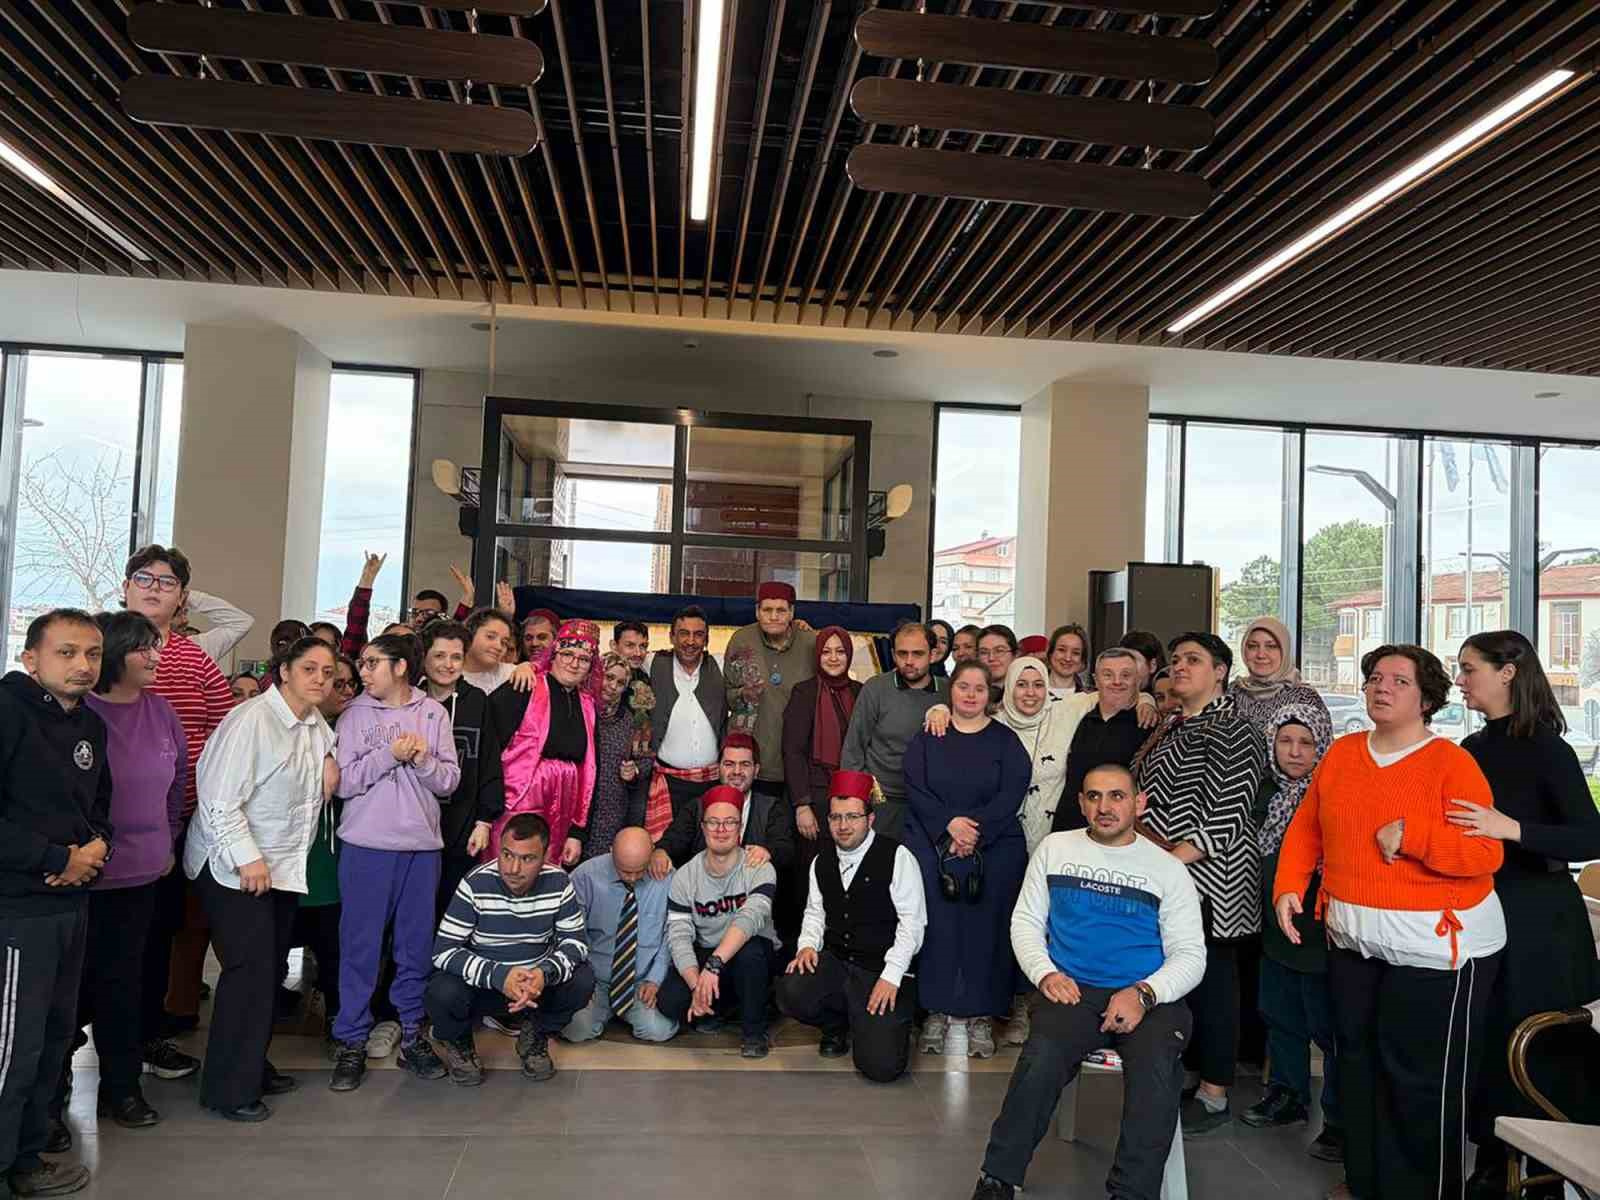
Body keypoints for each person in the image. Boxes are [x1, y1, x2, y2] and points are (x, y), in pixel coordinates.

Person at [1274, 644, 1504, 1200]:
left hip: (1435, 950)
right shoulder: (1343, 753)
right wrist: (1289, 884)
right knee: (1357, 1064)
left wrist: (1413, 837)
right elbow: (1308, 827)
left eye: (1400, 681)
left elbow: (1485, 853)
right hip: (1353, 938)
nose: (1382, 687)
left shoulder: (1451, 763)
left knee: (1418, 1080)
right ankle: (1365, 1181)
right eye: (1375, 677)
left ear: (1427, 699)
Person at [968, 763, 1206, 1200]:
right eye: (1094, 796)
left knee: (1156, 1071)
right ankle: (997, 1177)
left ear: (1139, 803)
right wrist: (1045, 973)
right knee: (1041, 1059)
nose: (1104, 807)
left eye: (1117, 796)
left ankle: (1131, 1192)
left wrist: (1144, 993)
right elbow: (1026, 922)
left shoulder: (1167, 869)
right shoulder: (1056, 848)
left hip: (1148, 994)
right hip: (1072, 989)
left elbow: (1191, 955)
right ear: (1080, 803)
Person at [1452, 631, 1600, 1197]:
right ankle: (1495, 1162)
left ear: (1508, 672)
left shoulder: (1547, 748)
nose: (1460, 680)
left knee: (1534, 1043)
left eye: (1469, 669)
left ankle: (1540, 1174)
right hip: (1485, 909)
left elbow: (1589, 836)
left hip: (1542, 922)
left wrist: (1510, 828)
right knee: (1489, 1038)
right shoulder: (1471, 746)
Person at [185, 636, 337, 1123]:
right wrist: (246, 858)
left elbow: (319, 758)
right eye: (309, 668)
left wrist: (329, 763)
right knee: (248, 973)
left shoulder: (313, 722)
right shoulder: (251, 720)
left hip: (281, 865)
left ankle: (252, 1065)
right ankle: (228, 1089)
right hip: (234, 866)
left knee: (269, 971)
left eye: (328, 672)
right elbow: (218, 800)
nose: (320, 678)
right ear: (284, 671)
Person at [1133, 631, 1265, 1135]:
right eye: (1176, 659)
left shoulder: (1236, 727)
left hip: (1212, 878)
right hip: (1166, 871)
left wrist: (1174, 861)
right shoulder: (1173, 724)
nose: (1180, 667)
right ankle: (1189, 1073)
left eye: (1193, 659)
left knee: (1214, 986)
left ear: (1220, 671)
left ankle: (1214, 1092)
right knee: (1180, 982)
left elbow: (1229, 809)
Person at [0, 610, 113, 1199]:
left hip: (72, 904)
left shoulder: (90, 724)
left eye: (92, 654)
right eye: (66, 653)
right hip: (19, 909)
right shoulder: (9, 711)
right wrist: (53, 857)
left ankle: (26, 1158)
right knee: (12, 1049)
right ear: (31, 658)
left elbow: (100, 808)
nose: (82, 665)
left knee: (53, 1038)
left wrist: (97, 849)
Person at [327, 633, 461, 1093]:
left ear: (401, 667)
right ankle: (351, 1040)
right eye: (362, 663)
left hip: (421, 848)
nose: (362, 672)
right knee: (360, 947)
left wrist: (422, 760)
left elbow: (449, 782)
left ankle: (412, 1035)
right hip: (366, 847)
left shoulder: (434, 713)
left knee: (415, 947)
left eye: (372, 663)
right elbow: (343, 783)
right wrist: (389, 754)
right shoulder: (352, 715)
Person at [71, 613, 188, 1131]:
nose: (155, 657)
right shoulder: (82, 712)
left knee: (125, 987)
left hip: (144, 875)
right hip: (84, 876)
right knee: (73, 991)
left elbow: (177, 780)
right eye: (144, 648)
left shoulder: (161, 711)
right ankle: (50, 1100)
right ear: (116, 652)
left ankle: (121, 1090)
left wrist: (169, 839)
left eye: (156, 646)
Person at [122, 546, 233, 1072]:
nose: (153, 588)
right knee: (95, 945)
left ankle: (145, 1039)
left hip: (176, 824)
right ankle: (71, 1051)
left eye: (166, 582)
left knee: (157, 937)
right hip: (104, 825)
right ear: (125, 586)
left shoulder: (194, 658)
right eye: (144, 578)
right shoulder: (97, 646)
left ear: (182, 597)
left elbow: (224, 733)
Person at [903, 659, 1031, 1059]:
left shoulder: (1005, 741)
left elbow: (1013, 791)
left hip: (994, 846)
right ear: (951, 690)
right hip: (934, 843)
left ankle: (982, 1016)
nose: (971, 695)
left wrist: (975, 832)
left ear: (990, 694)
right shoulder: (929, 736)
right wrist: (949, 826)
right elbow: (915, 786)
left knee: (987, 932)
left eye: (979, 688)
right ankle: (935, 1011)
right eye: (963, 687)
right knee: (937, 928)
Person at [1242, 702, 1343, 1163]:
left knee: (1328, 1026)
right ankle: (1287, 1095)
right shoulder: (1265, 792)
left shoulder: (1334, 792)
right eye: (1285, 741)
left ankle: (1339, 1119)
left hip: (1321, 930)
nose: (1295, 752)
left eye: (1306, 742)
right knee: (1280, 1014)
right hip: (1274, 926)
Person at [779, 770, 926, 1081]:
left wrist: (891, 976)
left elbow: (913, 925)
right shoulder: (821, 861)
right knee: (792, 989)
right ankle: (837, 1025)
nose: (843, 826)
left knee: (881, 1067)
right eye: (836, 817)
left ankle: (880, 1025)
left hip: (882, 970)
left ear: (870, 819)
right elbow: (815, 912)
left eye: (852, 817)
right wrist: (807, 946)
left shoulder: (898, 857)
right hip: (839, 963)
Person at [425, 813, 593, 1085]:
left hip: (534, 986)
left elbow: (576, 944)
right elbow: (443, 951)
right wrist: (499, 976)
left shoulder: (559, 882)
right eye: (507, 855)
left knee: (582, 979)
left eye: (527, 859)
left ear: (545, 856)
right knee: (441, 989)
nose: (513, 868)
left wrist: (544, 973)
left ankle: (536, 1037)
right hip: (485, 985)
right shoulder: (475, 882)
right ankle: (459, 1043)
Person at [657, 786, 782, 1058]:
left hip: (750, 953)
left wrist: (714, 965)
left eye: (729, 822)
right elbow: (679, 936)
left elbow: (750, 919)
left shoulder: (759, 866)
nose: (721, 829)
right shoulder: (685, 876)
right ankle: (718, 1008)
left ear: (740, 828)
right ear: (703, 827)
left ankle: (754, 1031)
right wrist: (697, 986)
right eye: (713, 822)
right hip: (709, 955)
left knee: (751, 953)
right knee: (670, 1001)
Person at [485, 620, 602, 866]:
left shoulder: (588, 705)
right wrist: (484, 812)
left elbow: (592, 769)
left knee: (548, 867)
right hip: (520, 792)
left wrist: (577, 833)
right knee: (511, 862)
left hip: (566, 798)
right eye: (567, 654)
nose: (574, 664)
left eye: (583, 659)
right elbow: (488, 748)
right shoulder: (526, 684)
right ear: (554, 655)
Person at [418, 622, 504, 915]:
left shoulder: (477, 701)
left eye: (456, 657)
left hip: (462, 826)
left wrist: (484, 822)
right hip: (415, 822)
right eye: (439, 656)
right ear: (424, 657)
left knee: (451, 908)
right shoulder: (411, 699)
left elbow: (490, 762)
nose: (448, 664)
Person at [781, 626, 863, 934]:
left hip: (851, 796)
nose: (833, 658)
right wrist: (801, 805)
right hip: (814, 799)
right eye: (826, 651)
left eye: (840, 651)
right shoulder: (804, 692)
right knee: (811, 875)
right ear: (817, 655)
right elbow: (792, 751)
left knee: (848, 874)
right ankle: (803, 944)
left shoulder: (861, 692)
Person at [563, 827, 678, 1045]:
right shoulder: (585, 876)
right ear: (611, 853)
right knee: (575, 1030)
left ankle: (625, 1009)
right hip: (596, 979)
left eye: (640, 870)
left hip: (640, 981)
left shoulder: (666, 877)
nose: (633, 878)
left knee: (659, 1030)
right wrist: (582, 980)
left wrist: (655, 979)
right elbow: (572, 934)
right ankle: (605, 1010)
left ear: (652, 853)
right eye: (625, 871)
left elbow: (670, 935)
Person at [840, 621, 948, 840]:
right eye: (902, 654)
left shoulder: (949, 691)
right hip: (881, 801)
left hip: (931, 802)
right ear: (892, 655)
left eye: (918, 654)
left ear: (933, 655)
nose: (909, 661)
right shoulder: (875, 687)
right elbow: (854, 748)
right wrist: (855, 799)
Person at [725, 581, 816, 810]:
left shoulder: (810, 642)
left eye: (781, 610)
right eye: (767, 610)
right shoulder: (741, 640)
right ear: (757, 611)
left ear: (792, 613)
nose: (774, 616)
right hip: (749, 764)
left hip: (798, 764)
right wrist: (744, 694)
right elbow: (727, 695)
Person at [649, 733, 795, 875]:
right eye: (729, 764)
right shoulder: (697, 807)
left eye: (745, 764)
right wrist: (661, 851)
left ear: (756, 770)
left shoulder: (772, 808)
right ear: (718, 768)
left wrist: (768, 852)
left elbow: (785, 849)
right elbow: (674, 839)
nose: (737, 771)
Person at [1053, 649, 1154, 834]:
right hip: (1068, 832)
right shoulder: (1080, 718)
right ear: (1096, 680)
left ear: (1138, 680)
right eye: (1108, 675)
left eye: (1126, 675)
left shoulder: (1148, 725)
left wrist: (1148, 701)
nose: (1117, 681)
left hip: (1116, 836)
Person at [645, 605, 727, 832]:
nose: (691, 641)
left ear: (707, 639)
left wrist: (799, 630)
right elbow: (617, 659)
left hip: (712, 781)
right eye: (684, 633)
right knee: (667, 848)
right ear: (671, 636)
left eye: (698, 634)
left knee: (709, 846)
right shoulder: (652, 663)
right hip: (668, 783)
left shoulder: (721, 665)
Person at [582, 653, 649, 863]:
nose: (613, 686)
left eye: (620, 683)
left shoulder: (631, 720)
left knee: (601, 868)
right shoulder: (579, 708)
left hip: (611, 810)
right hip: (577, 805)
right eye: (608, 677)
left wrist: (634, 770)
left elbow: (646, 758)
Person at [1229, 616, 1330, 738]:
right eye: (1252, 646)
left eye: (1271, 646)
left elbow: (1323, 746)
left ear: (1284, 650)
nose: (1261, 655)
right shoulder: (1233, 691)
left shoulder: (1305, 698)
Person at [461, 608, 518, 694]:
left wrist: (527, 667)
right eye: (490, 637)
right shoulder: (448, 674)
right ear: (469, 635)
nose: (499, 647)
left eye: (504, 643)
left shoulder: (510, 673)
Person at [976, 625, 1018, 710]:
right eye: (984, 652)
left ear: (1014, 655)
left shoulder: (1026, 692)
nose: (991, 658)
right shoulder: (969, 692)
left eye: (999, 651)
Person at [1046, 623, 1090, 696]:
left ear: (1082, 659)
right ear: (1051, 653)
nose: (1068, 658)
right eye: (1062, 650)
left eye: (1075, 653)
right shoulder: (1030, 692)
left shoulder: (1091, 698)